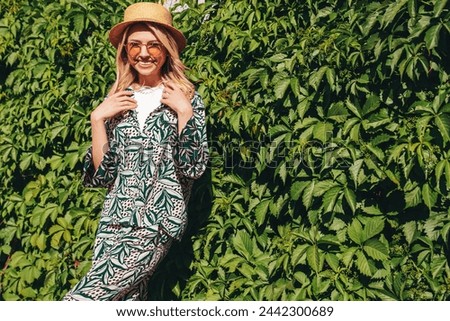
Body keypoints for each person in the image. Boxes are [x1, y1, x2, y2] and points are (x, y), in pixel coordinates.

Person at [63, 2, 209, 300]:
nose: (144, 53)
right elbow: (102, 176)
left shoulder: (188, 99)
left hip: (156, 221)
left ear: (167, 50)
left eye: (153, 45)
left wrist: (184, 113)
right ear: (125, 51)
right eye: (136, 45)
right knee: (126, 303)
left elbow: (193, 168)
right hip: (114, 220)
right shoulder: (117, 100)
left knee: (87, 298)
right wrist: (98, 119)